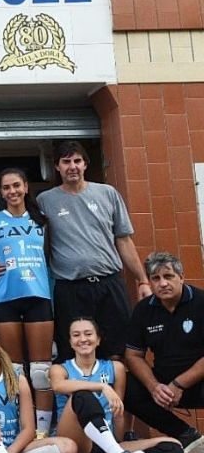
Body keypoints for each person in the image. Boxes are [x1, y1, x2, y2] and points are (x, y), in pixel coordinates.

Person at [37, 140, 151, 362]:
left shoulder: (108, 193)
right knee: (75, 352)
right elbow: (37, 244)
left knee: (119, 350)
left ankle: (118, 386)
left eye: (77, 161)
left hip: (109, 284)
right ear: (57, 166)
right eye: (66, 161)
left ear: (85, 164)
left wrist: (143, 280)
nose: (72, 166)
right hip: (70, 289)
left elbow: (124, 240)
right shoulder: (45, 200)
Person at [52, 317, 180, 453]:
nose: (83, 339)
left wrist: (119, 439)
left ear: (98, 339)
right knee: (82, 396)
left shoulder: (115, 368)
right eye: (76, 335)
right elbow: (58, 385)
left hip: (108, 445)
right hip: (77, 444)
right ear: (70, 342)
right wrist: (102, 387)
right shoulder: (60, 369)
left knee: (173, 447)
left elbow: (117, 412)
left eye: (88, 334)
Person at [0, 169, 54, 436]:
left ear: (25, 187)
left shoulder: (42, 219)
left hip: (38, 295)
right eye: (6, 187)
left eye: (16, 185)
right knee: (13, 370)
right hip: (5, 298)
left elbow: (50, 255)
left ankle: (42, 432)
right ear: (1, 192)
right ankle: (18, 428)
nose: (12, 191)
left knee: (41, 371)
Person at [123, 251, 204, 452]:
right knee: (124, 384)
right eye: (156, 278)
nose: (163, 283)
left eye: (168, 276)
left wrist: (179, 384)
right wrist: (154, 387)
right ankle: (184, 434)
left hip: (197, 382)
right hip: (164, 386)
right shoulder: (143, 310)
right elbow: (133, 356)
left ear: (181, 277)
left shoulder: (201, 302)